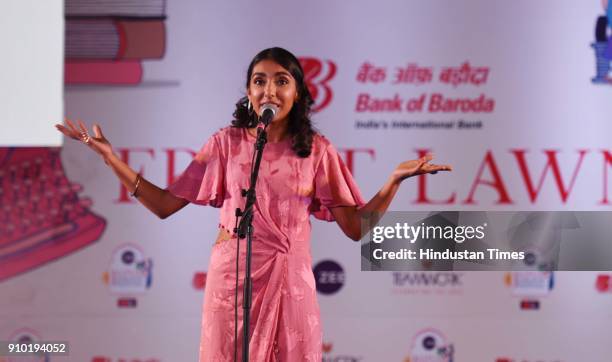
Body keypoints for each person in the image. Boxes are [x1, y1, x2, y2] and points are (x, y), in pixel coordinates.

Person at [56, 47, 451, 362]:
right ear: (249, 93)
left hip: (290, 283)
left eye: (282, 81)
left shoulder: (316, 151)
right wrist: (110, 158)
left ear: (297, 93)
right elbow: (164, 204)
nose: (269, 90)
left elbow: (356, 228)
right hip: (231, 284)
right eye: (259, 81)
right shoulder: (226, 144)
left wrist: (393, 182)